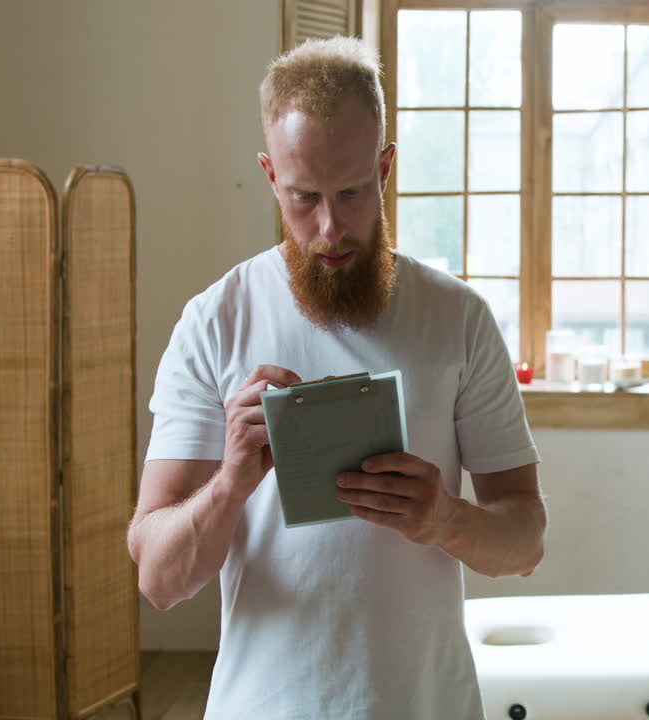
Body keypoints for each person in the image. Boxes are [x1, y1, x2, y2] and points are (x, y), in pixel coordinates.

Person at [126, 35, 546, 719]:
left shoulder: (459, 318)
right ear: (270, 176)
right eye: (303, 199)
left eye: (350, 193)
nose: (328, 229)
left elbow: (524, 543)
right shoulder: (214, 322)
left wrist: (444, 518)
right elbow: (160, 580)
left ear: (384, 169)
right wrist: (231, 481)